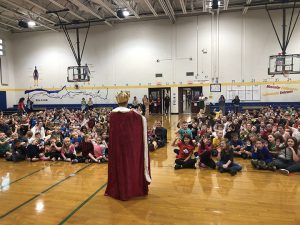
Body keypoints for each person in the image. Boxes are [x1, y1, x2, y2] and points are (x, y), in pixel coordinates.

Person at [105, 91, 151, 201]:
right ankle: (130, 189)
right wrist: (147, 107)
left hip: (116, 148)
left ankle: (118, 190)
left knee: (118, 167)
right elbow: (145, 120)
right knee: (130, 167)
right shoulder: (132, 114)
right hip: (130, 148)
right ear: (127, 101)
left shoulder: (112, 114)